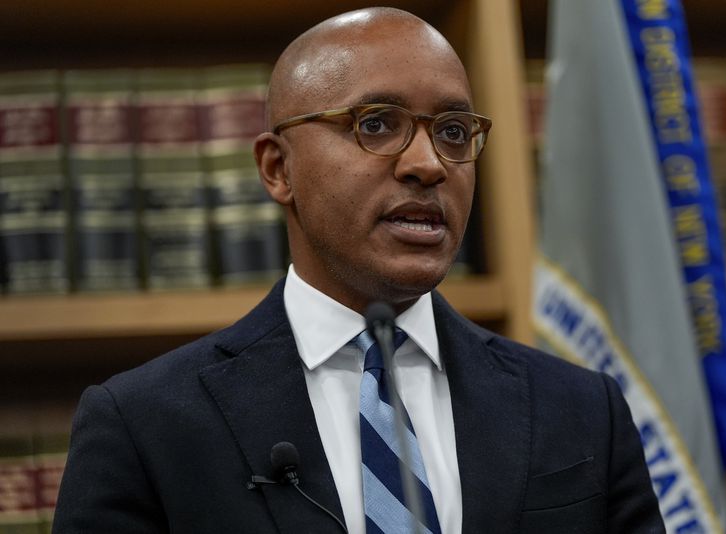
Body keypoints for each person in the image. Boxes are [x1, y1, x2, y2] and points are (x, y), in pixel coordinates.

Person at [53, 7, 665, 534]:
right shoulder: (146, 423)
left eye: (454, 132)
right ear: (277, 169)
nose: (428, 164)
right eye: (376, 124)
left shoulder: (584, 409)